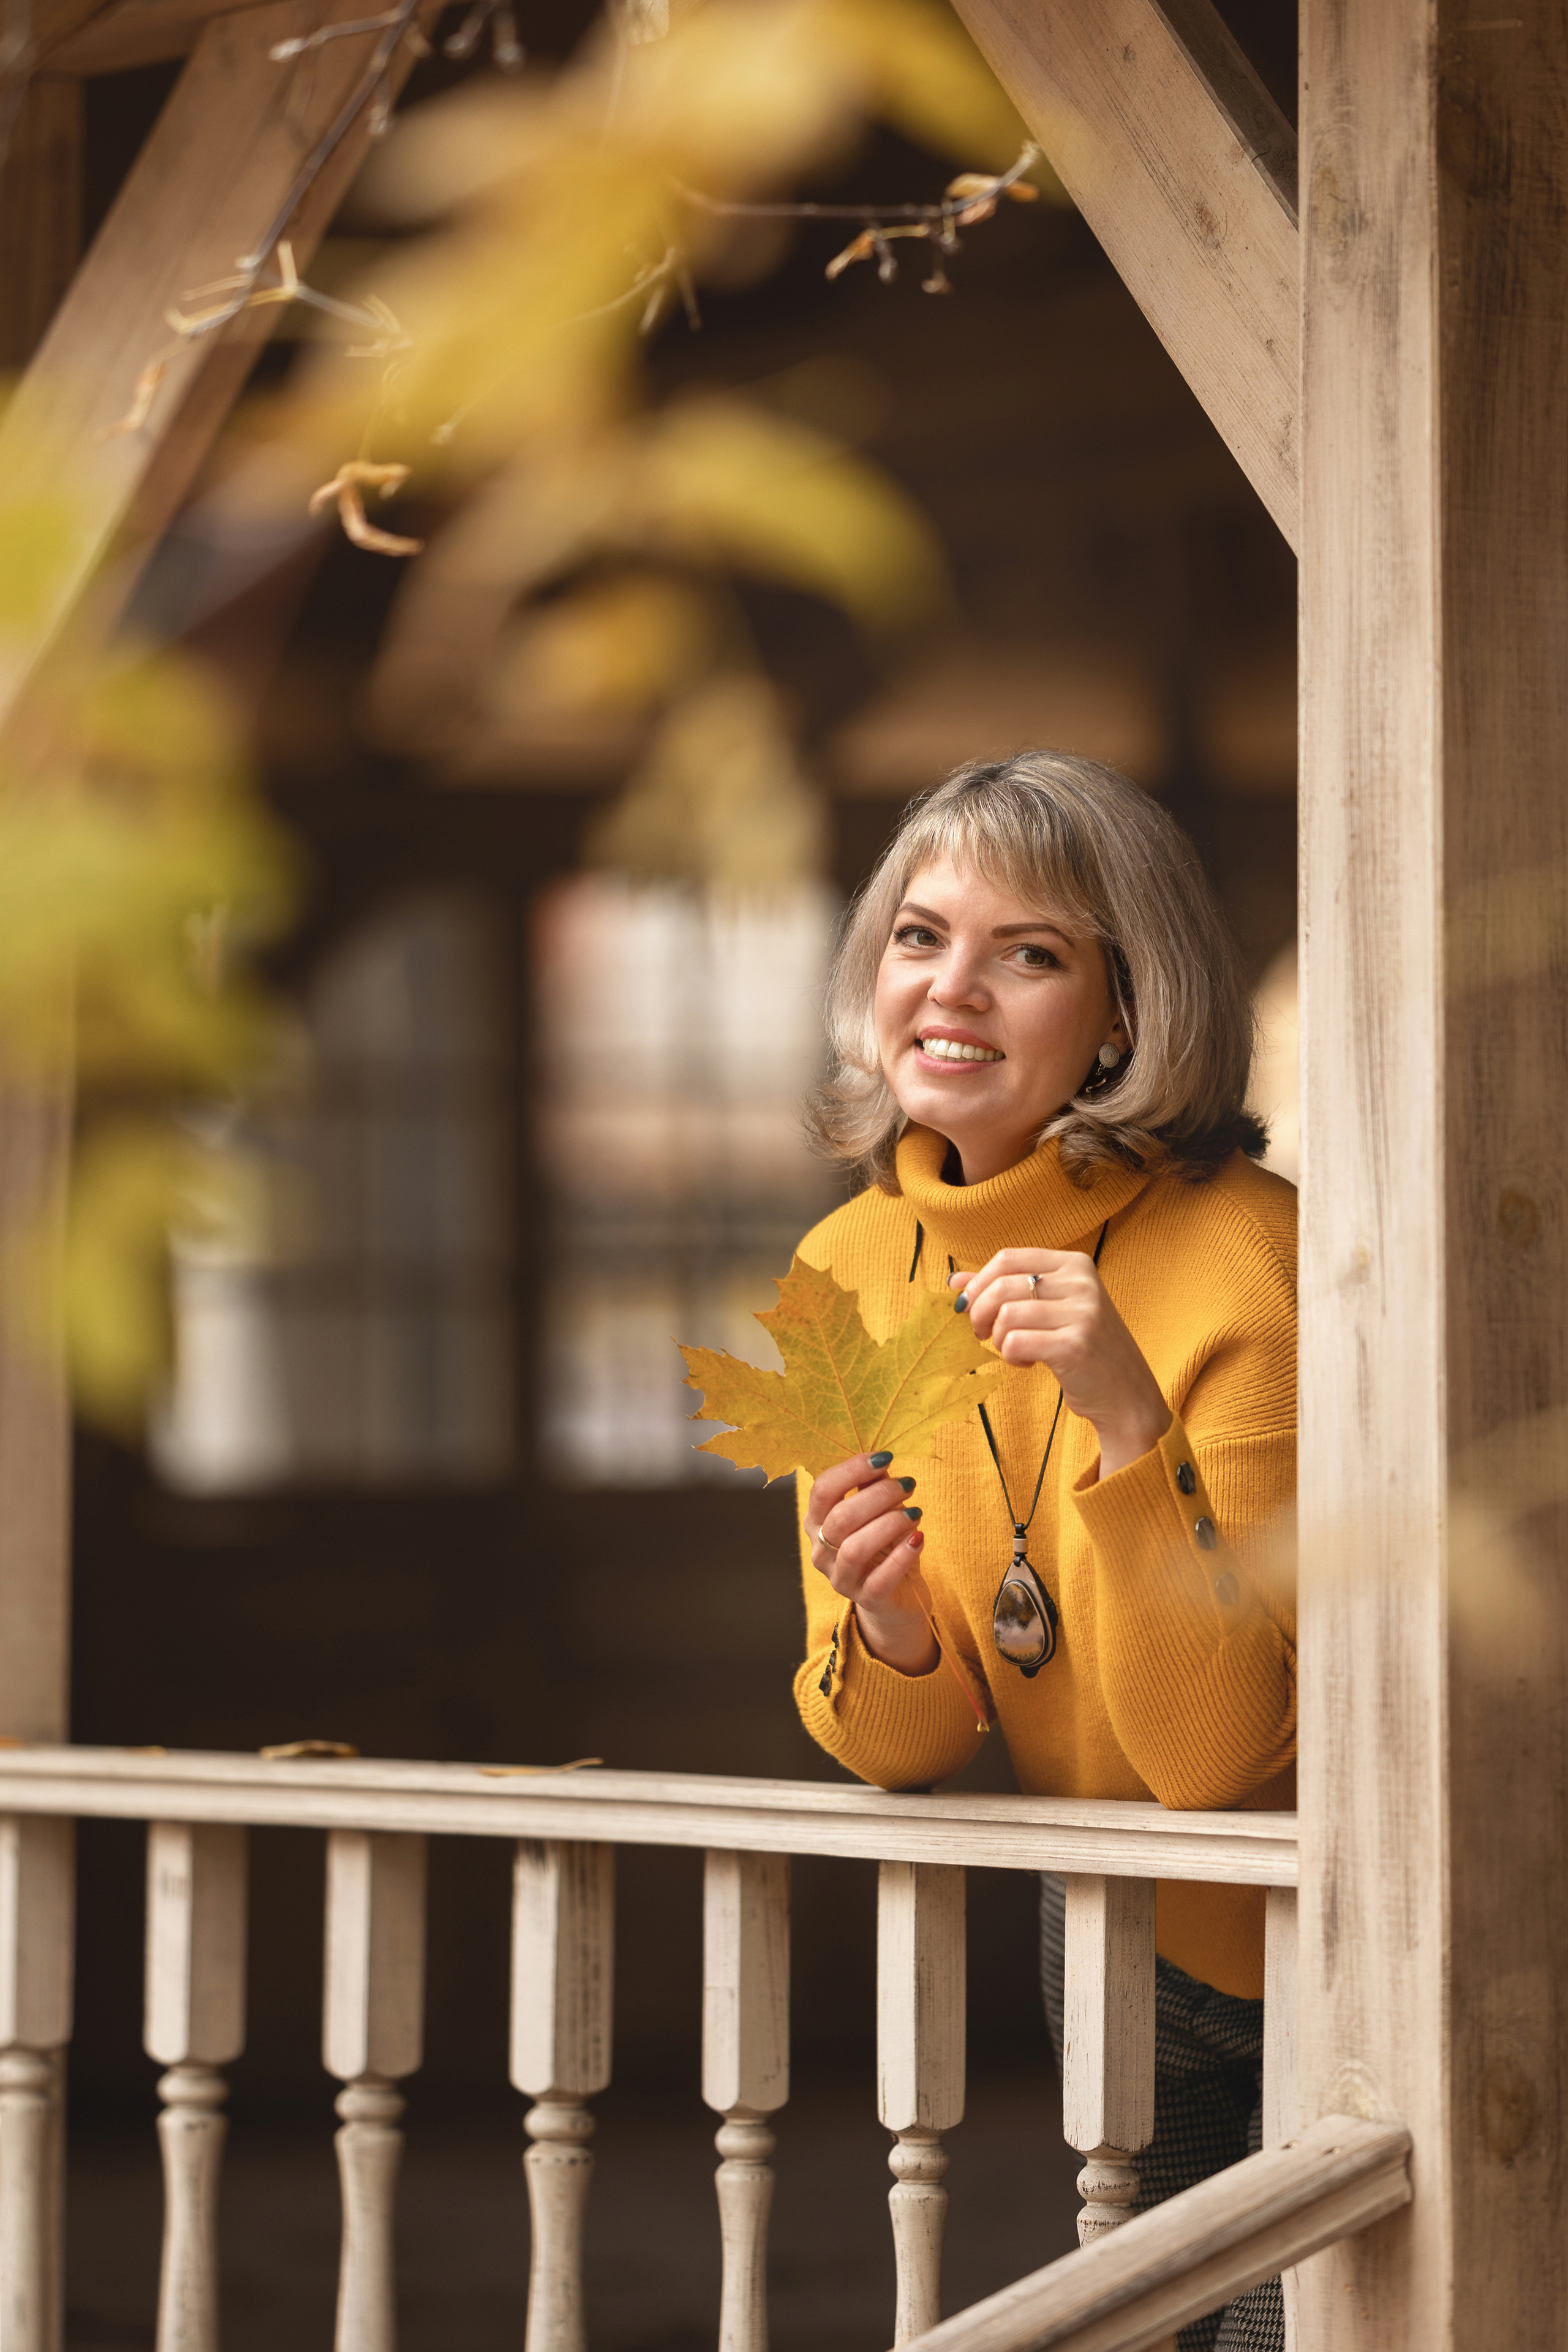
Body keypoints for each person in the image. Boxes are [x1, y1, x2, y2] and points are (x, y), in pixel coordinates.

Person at [793, 754, 1295, 2352]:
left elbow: (1217, 1755)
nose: (953, 987)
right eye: (919, 936)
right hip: (1103, 1925)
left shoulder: (1250, 1255)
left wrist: (1128, 1422)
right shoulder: (844, 1269)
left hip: (1324, 1929)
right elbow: (897, 1747)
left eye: (1031, 951)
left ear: (1125, 1011)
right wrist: (884, 1624)